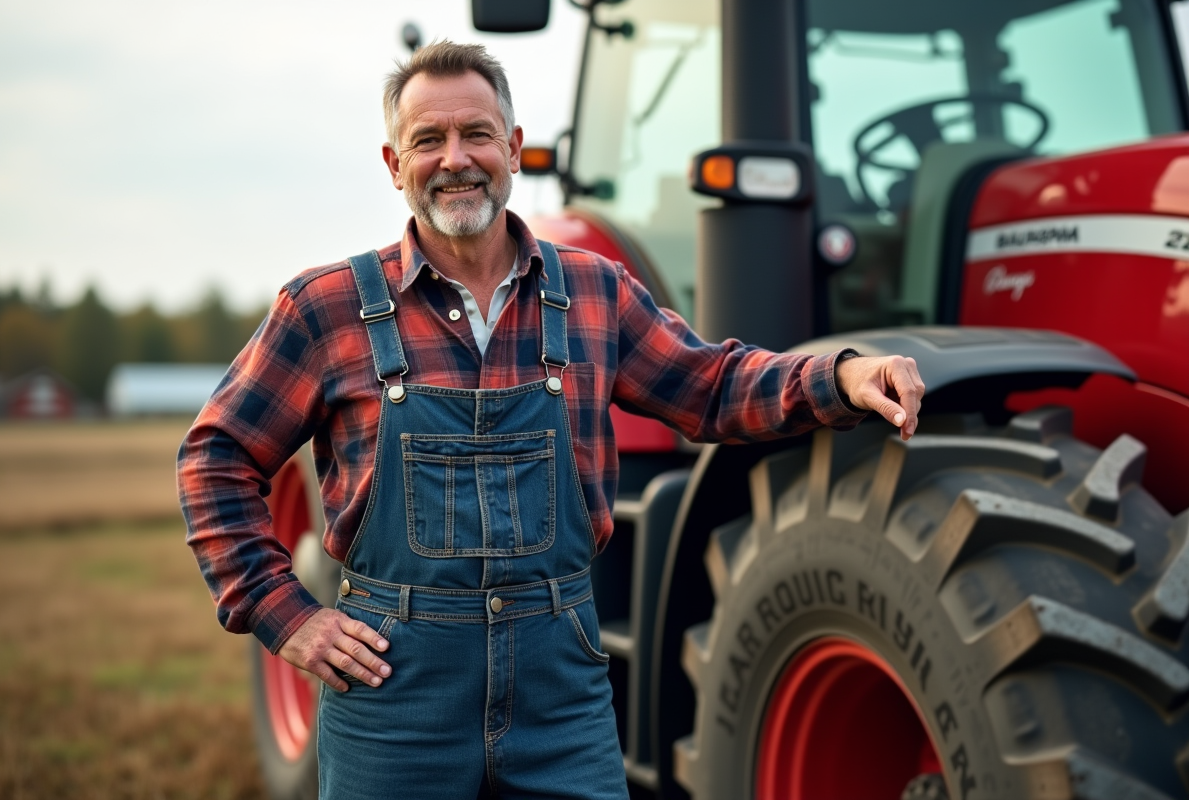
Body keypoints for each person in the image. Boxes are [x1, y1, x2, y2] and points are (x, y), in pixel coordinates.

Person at [177, 40, 925, 800]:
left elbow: (711, 385)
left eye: (476, 134)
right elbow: (215, 457)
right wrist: (287, 616)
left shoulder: (596, 292)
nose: (455, 158)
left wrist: (839, 375)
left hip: (559, 699)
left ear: (514, 147)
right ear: (393, 164)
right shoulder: (326, 308)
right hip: (395, 700)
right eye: (428, 140)